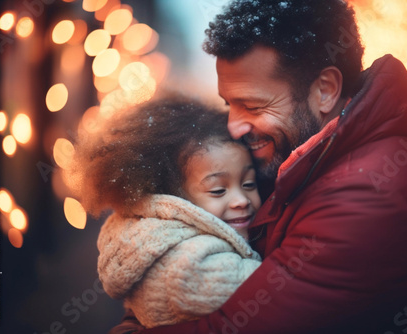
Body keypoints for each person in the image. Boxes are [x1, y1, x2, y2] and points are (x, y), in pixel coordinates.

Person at [110, 0, 407, 333]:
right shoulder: (303, 155)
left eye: (252, 105)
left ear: (325, 90)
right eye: (228, 104)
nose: (234, 126)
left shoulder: (366, 199)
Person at [65, 94, 262, 329]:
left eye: (249, 184)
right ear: (172, 200)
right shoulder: (191, 262)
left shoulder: (146, 229)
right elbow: (269, 294)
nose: (241, 200)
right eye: (218, 190)